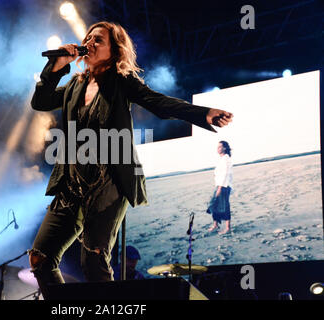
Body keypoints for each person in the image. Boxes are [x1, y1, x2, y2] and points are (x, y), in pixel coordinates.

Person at [29, 21, 233, 298]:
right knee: (41, 257)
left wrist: (202, 113)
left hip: (108, 180)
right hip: (71, 181)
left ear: (114, 51)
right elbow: (40, 101)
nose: (89, 42)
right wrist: (57, 66)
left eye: (98, 40)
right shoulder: (74, 85)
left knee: (94, 259)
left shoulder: (121, 82)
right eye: (87, 37)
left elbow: (159, 103)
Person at [207, 141, 233, 234]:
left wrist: (220, 188)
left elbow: (226, 174)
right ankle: (215, 225)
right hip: (219, 185)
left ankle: (227, 228)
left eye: (219, 147)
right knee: (213, 205)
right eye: (217, 147)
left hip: (224, 186)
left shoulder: (226, 159)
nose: (217, 149)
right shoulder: (221, 159)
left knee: (224, 206)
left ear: (224, 148)